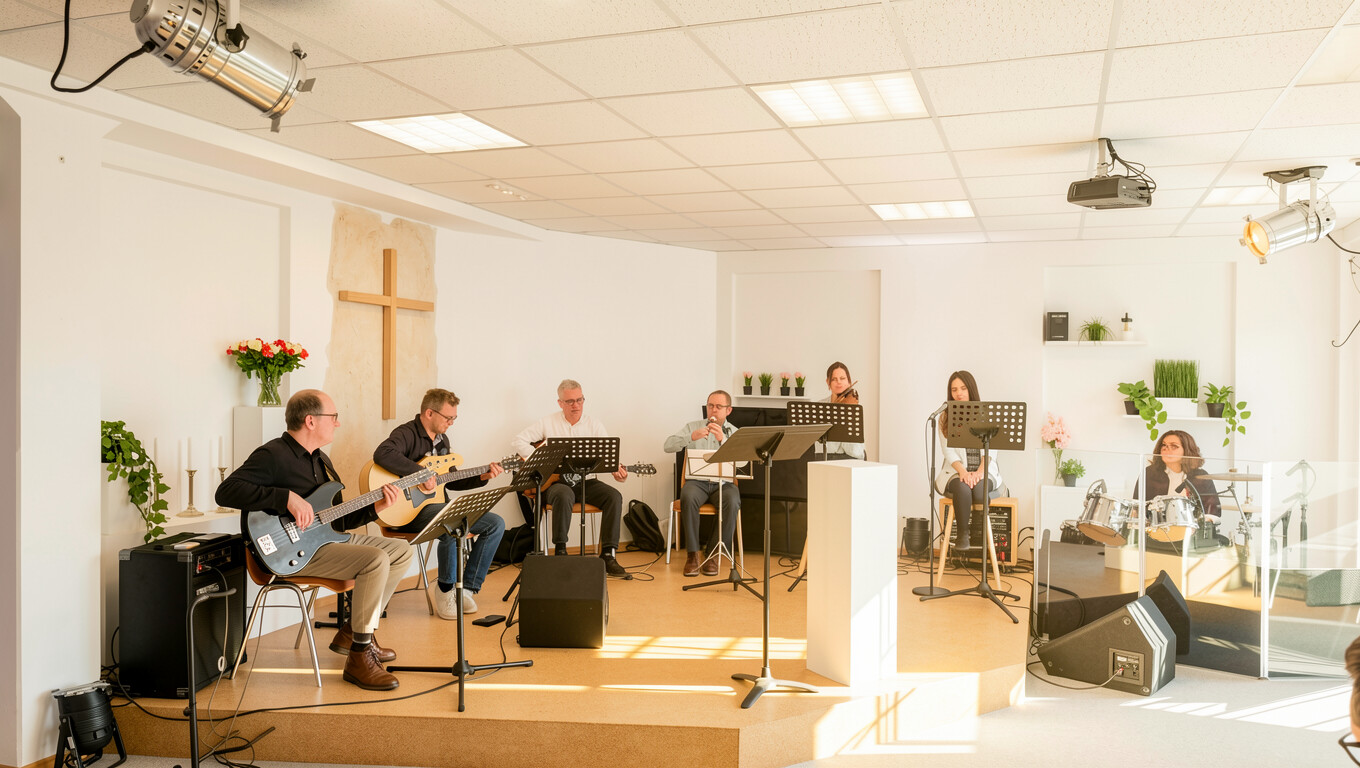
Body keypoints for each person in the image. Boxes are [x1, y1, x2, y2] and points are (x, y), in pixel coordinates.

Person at [216, 389, 412, 692]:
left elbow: (340, 522)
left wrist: (377, 507)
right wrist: (286, 499)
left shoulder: (323, 461)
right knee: (375, 559)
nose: (337, 423)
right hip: (288, 552)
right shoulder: (273, 455)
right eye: (333, 417)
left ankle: (356, 631)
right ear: (310, 420)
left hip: (325, 544)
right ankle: (360, 657)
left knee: (400, 550)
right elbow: (226, 491)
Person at [373, 388, 504, 619]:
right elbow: (383, 453)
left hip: (437, 510)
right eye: (448, 418)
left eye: (454, 418)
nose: (451, 423)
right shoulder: (406, 433)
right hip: (406, 514)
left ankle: (466, 589)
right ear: (429, 413)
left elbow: (449, 481)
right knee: (451, 519)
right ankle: (445, 590)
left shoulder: (443, 440)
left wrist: (483, 476)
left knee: (495, 523)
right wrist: (421, 473)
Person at [511, 379, 628, 577]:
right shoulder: (548, 422)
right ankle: (561, 551)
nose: (576, 405)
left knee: (614, 496)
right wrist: (540, 460)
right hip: (557, 483)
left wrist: (617, 471)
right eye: (570, 401)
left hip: (587, 481)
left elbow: (608, 458)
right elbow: (518, 440)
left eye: (579, 400)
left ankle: (608, 554)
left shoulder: (594, 424)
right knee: (564, 494)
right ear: (560, 403)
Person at [663, 390, 742, 577]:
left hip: (723, 483)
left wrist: (724, 440)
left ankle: (714, 554)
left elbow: (744, 461)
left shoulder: (734, 432)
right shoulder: (693, 426)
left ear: (728, 410)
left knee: (732, 500)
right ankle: (692, 555)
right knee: (688, 496)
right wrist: (691, 437)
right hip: (697, 481)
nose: (713, 410)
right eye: (710, 405)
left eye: (718, 406)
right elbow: (667, 445)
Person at [935, 371, 1003, 551]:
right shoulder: (945, 417)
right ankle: (962, 535)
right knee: (963, 488)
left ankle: (977, 531)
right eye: (954, 389)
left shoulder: (985, 414)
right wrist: (964, 473)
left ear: (971, 390)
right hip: (956, 471)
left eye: (963, 388)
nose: (959, 393)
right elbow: (948, 452)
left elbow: (990, 451)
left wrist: (980, 472)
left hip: (983, 469)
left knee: (980, 492)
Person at [1134, 429, 1222, 519]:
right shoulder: (1149, 473)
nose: (1166, 449)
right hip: (1155, 530)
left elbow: (1213, 513)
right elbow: (1136, 507)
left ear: (1186, 450)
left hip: (1192, 530)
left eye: (1174, 446)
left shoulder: (1200, 477)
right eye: (1164, 445)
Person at [822, 361, 866, 460]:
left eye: (842, 378)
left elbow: (855, 451)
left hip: (851, 458)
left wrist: (848, 415)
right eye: (834, 379)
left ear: (849, 381)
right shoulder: (820, 406)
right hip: (825, 458)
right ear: (828, 382)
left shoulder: (854, 406)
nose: (839, 382)